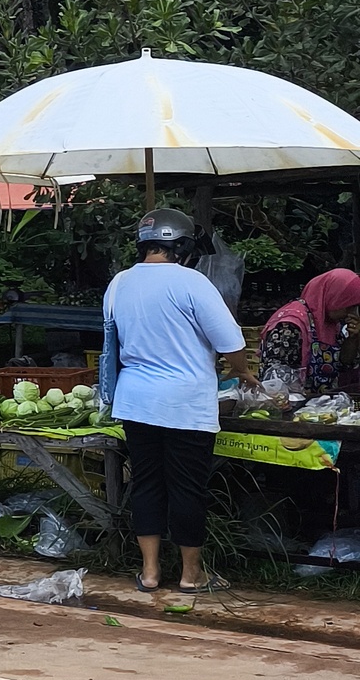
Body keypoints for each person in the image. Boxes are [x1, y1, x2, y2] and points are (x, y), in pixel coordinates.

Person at [100, 207, 245, 595]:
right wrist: (244, 371)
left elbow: (113, 340)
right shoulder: (191, 282)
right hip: (185, 403)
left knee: (146, 483)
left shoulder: (119, 283)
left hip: (135, 402)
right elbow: (230, 343)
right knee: (186, 487)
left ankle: (149, 573)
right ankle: (190, 575)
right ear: (181, 246)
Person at [255, 267, 360, 395]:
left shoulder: (331, 324)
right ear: (333, 298)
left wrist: (353, 338)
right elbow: (277, 377)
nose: (351, 313)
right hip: (294, 404)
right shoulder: (290, 325)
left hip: (323, 405)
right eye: (348, 306)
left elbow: (344, 363)